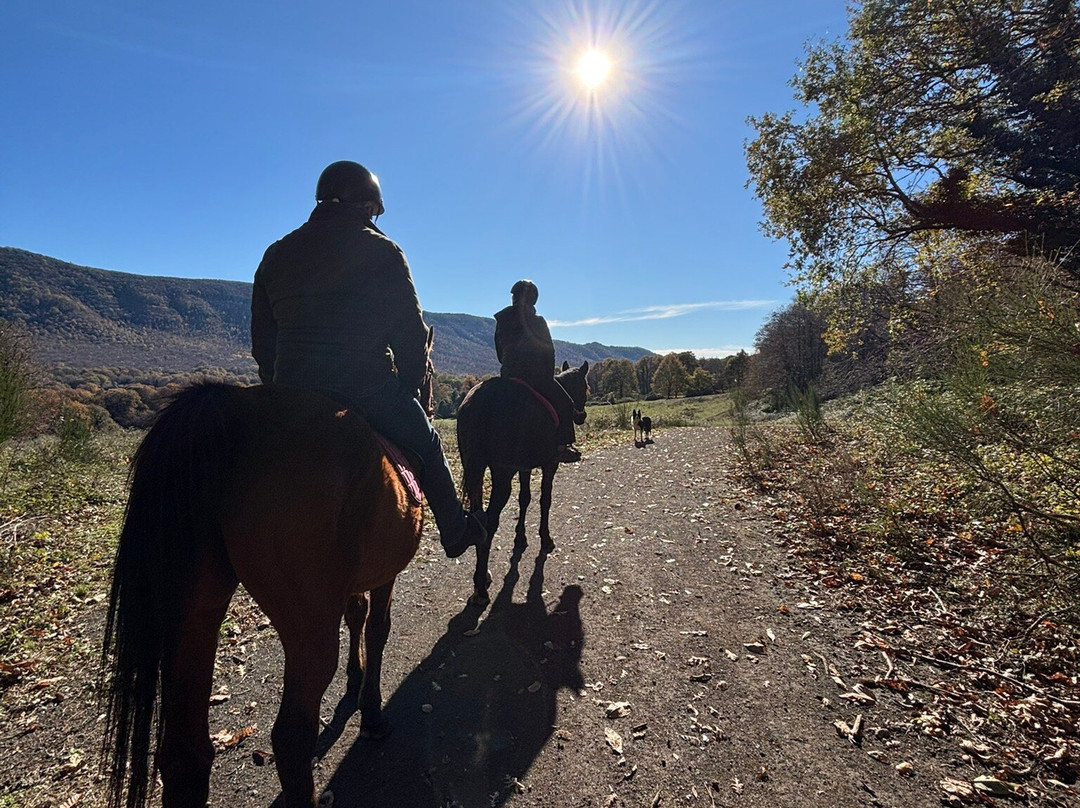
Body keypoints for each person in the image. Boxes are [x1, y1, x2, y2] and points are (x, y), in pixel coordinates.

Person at [251, 160, 486, 558]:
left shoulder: (276, 253)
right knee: (428, 444)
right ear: (366, 206)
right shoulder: (383, 251)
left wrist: (278, 388)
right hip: (364, 386)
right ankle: (455, 531)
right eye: (375, 210)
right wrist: (409, 389)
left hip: (290, 390)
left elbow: (263, 341)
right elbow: (411, 336)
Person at [493, 279, 581, 463]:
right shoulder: (539, 322)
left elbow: (500, 354)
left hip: (508, 375)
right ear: (533, 299)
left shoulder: (501, 320)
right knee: (566, 403)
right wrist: (547, 375)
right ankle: (562, 447)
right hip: (535, 377)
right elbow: (549, 351)